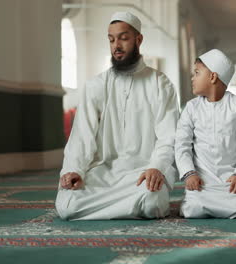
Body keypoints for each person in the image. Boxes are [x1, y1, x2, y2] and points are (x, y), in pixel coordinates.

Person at [55, 11, 179, 220]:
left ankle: (104, 208)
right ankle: (127, 207)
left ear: (138, 40)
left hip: (143, 173)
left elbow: (169, 136)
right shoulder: (96, 85)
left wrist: (157, 167)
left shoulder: (160, 83)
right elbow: (81, 136)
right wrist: (75, 169)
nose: (116, 46)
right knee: (67, 205)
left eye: (123, 38)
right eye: (112, 40)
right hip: (102, 173)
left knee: (151, 203)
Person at [175, 49, 236, 219]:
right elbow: (181, 144)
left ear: (213, 77)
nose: (192, 78)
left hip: (229, 181)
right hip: (201, 181)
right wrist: (189, 173)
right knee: (192, 210)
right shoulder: (191, 107)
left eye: (197, 73)